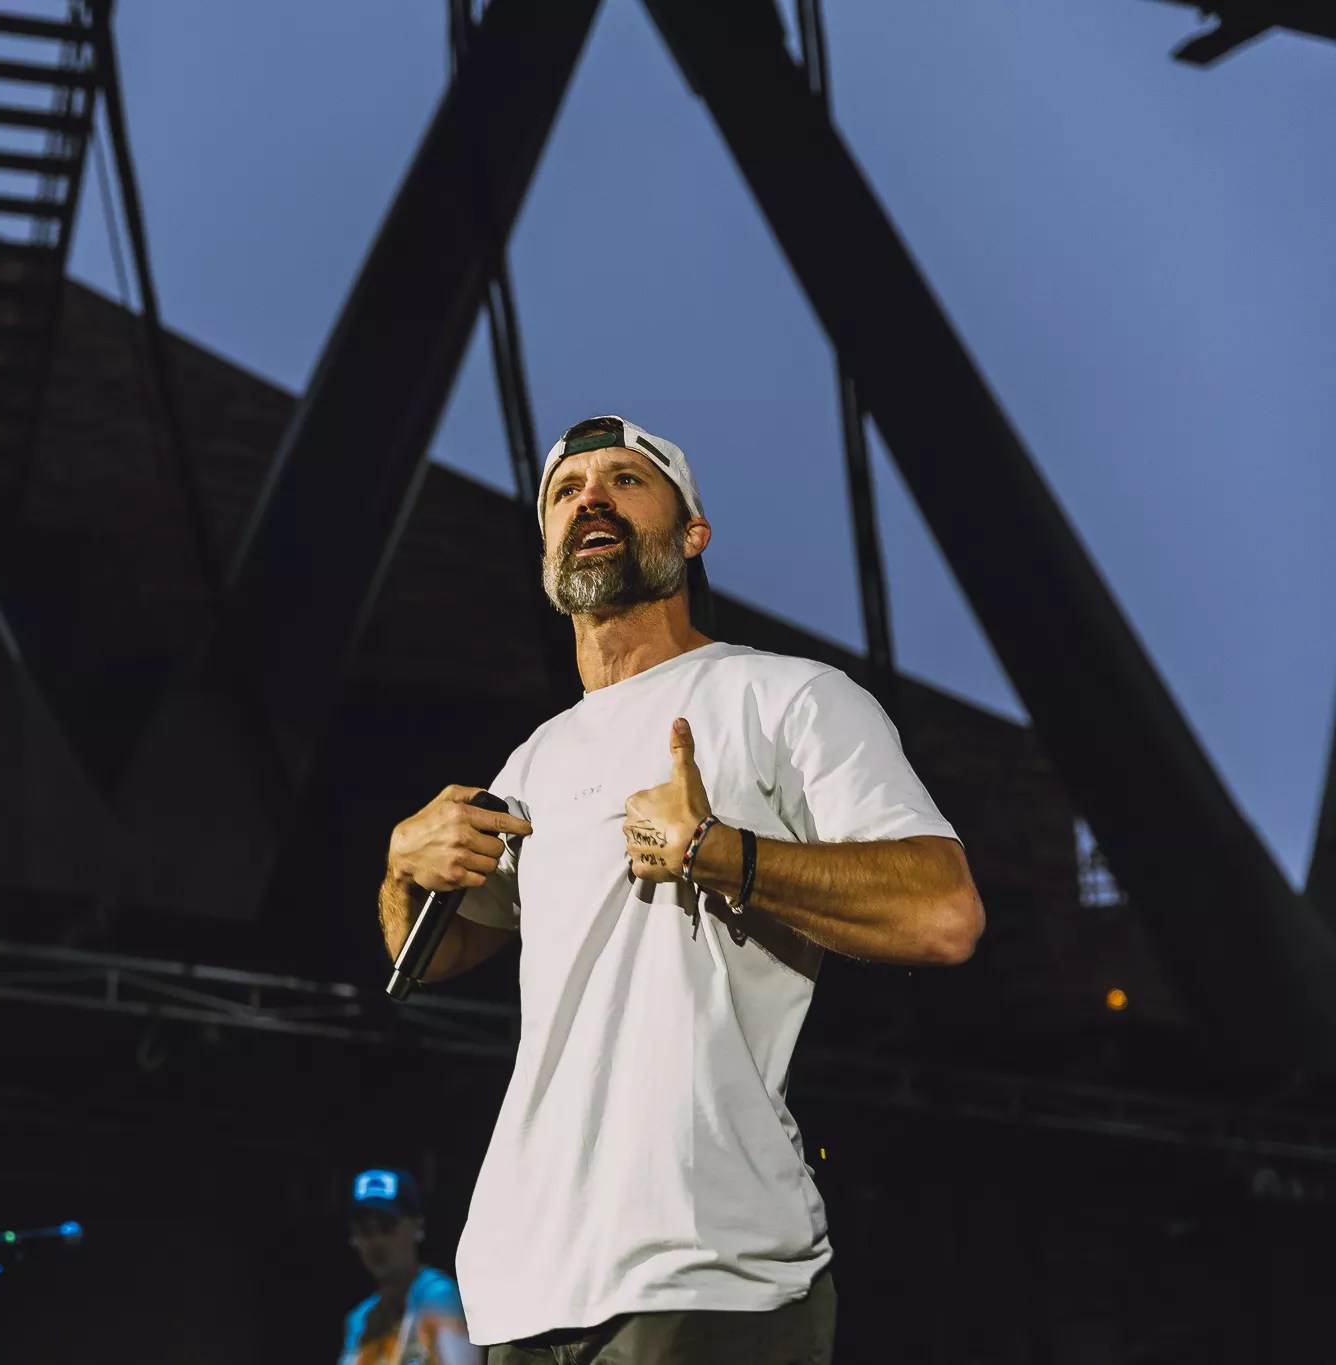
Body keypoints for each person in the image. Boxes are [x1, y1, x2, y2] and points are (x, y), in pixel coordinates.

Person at [377, 416, 984, 1364]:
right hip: (518, 1289)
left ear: (692, 533)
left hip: (711, 1268)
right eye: (567, 489)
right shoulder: (533, 760)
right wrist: (402, 866)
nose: (591, 498)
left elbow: (945, 913)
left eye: (625, 480)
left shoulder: (787, 698)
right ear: (547, 550)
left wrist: (721, 852)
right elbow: (430, 956)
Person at [338, 1168, 480, 1365]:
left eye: (387, 1226)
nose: (377, 1242)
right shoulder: (361, 1319)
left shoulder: (438, 1296)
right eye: (365, 1231)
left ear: (417, 1226)